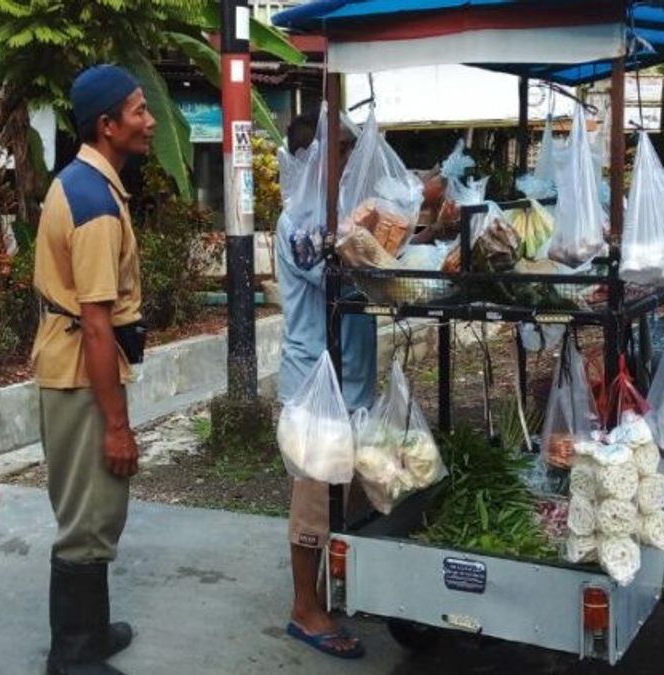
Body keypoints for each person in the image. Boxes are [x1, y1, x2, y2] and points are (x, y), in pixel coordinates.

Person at [30, 64, 154, 675]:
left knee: (95, 507)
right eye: (138, 111)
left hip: (72, 363)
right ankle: (73, 657)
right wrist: (116, 425)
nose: (150, 121)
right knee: (87, 517)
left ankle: (93, 633)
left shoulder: (84, 183)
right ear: (107, 125)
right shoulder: (94, 204)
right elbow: (98, 324)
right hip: (82, 372)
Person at [275, 109, 375, 659]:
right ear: (314, 158)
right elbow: (343, 274)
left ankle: (334, 591)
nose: (350, 160)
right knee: (314, 499)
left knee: (348, 495)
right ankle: (303, 608)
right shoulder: (300, 221)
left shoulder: (345, 216)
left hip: (351, 377)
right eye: (341, 149)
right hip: (315, 384)